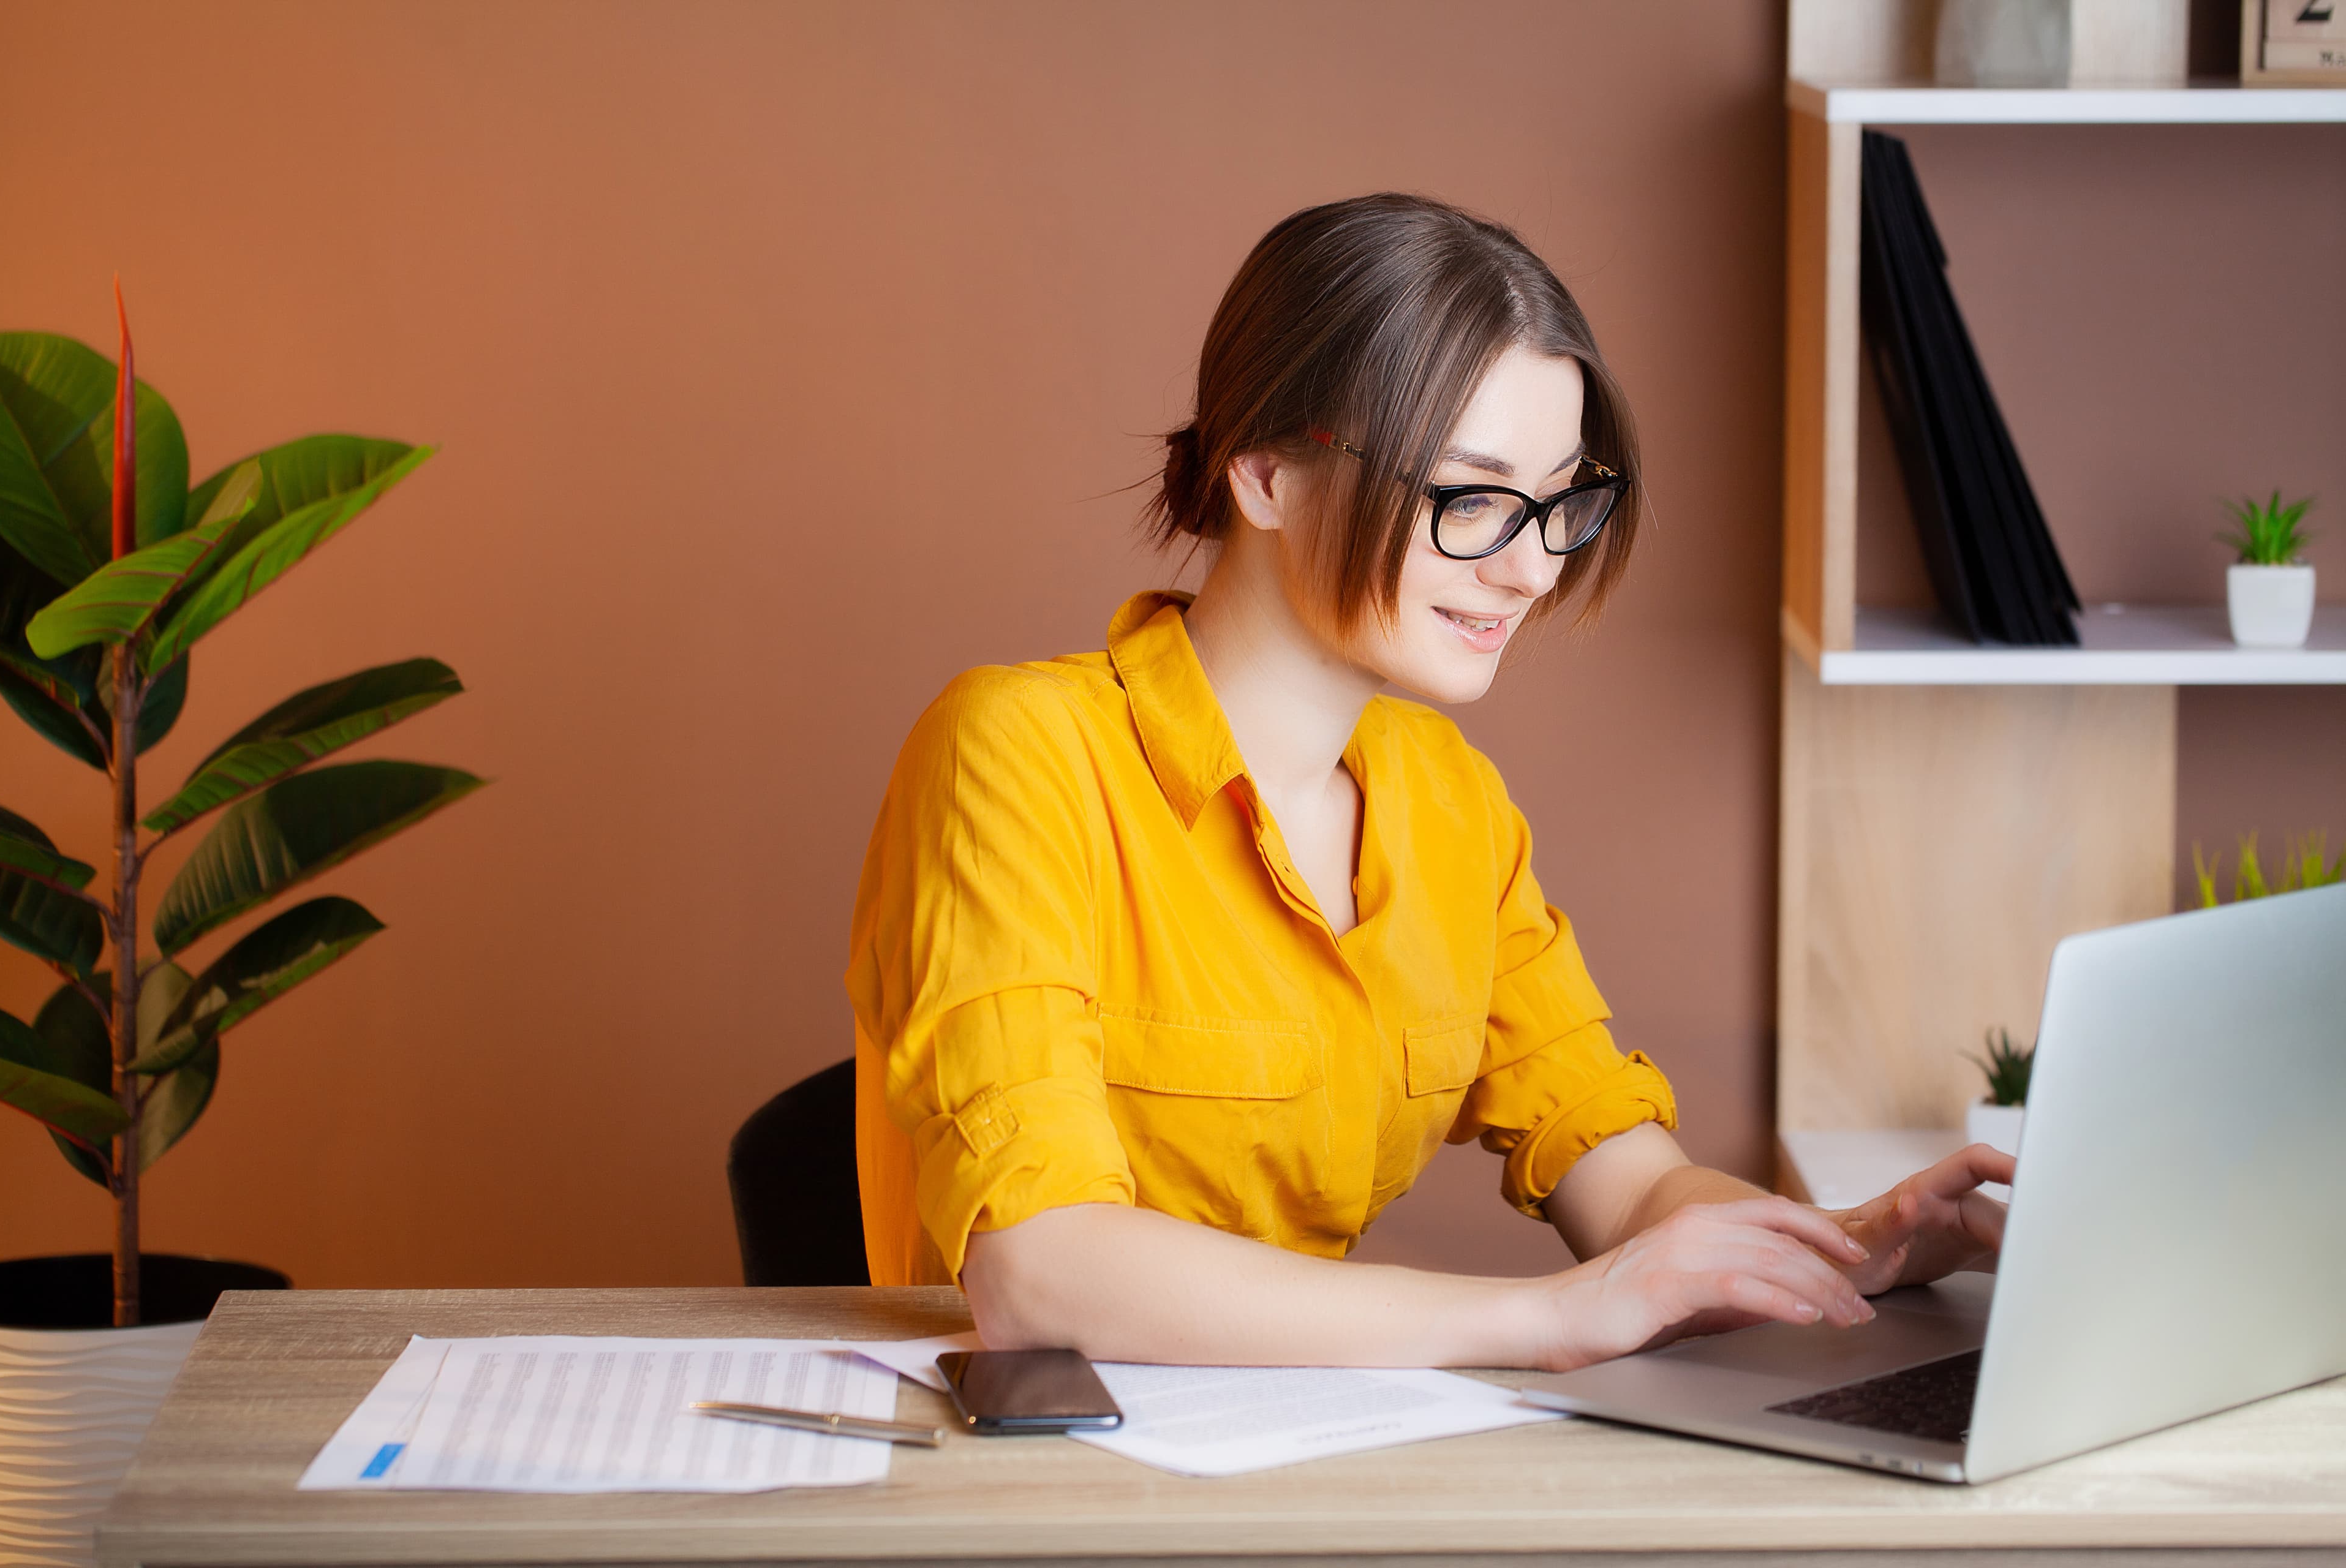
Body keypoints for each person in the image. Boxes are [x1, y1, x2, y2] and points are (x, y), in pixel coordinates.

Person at [846, 193, 2009, 1371]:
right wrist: (1546, 1318)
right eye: (1474, 497)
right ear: (1263, 475)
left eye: (1561, 502)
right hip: (1029, 1480)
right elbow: (1039, 1274)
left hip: (1295, 1465)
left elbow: (1623, 1179)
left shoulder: (1450, 801)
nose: (1533, 565)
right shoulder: (1013, 753)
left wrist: (1847, 1251)